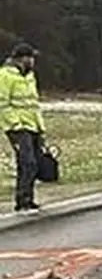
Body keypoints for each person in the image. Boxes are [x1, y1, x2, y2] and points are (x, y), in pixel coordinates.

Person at [0, 43, 45, 212]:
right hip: (17, 127)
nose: (33, 61)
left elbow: (33, 103)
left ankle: (26, 198)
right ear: (21, 58)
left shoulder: (29, 76)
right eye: (30, 57)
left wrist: (40, 126)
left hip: (32, 125)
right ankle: (23, 198)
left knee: (31, 163)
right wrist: (15, 124)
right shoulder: (5, 75)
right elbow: (3, 103)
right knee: (29, 163)